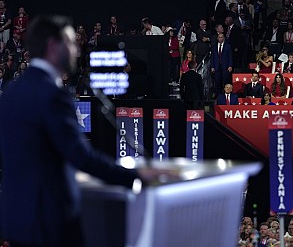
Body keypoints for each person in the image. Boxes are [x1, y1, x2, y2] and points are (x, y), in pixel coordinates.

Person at [0, 14, 176, 246]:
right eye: (71, 42)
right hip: (50, 222)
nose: (77, 50)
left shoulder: (11, 92)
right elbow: (82, 157)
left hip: (16, 222)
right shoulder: (53, 96)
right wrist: (137, 176)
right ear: (53, 45)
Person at [211, 33, 233, 97]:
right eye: (219, 37)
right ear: (217, 38)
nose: (220, 39)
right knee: (217, 82)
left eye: (221, 37)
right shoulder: (214, 47)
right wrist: (212, 66)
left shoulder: (227, 46)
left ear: (224, 38)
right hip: (217, 67)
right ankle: (218, 97)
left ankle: (226, 96)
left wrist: (230, 65)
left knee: (225, 81)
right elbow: (212, 57)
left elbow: (230, 57)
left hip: (225, 67)